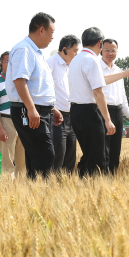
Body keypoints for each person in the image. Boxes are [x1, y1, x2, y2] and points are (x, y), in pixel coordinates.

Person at [7, 12, 61, 178]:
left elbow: (38, 87)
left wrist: (53, 109)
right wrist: (31, 109)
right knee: (46, 155)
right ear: (42, 30)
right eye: (52, 32)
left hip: (40, 110)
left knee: (34, 158)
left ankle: (33, 196)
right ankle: (41, 195)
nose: (53, 37)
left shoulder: (36, 52)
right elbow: (20, 81)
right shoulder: (24, 49)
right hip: (29, 111)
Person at [69, 27, 120, 177]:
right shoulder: (92, 60)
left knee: (88, 153)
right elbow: (98, 91)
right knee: (98, 156)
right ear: (100, 43)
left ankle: (81, 186)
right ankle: (93, 188)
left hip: (75, 112)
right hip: (89, 112)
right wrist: (108, 120)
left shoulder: (75, 60)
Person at [99, 38, 129, 174]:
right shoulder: (97, 68)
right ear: (101, 50)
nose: (110, 53)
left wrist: (128, 114)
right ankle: (102, 178)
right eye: (107, 50)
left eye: (113, 50)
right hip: (103, 111)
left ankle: (112, 177)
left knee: (115, 149)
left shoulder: (118, 70)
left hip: (117, 112)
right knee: (103, 149)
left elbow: (122, 96)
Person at [47, 35, 80, 172]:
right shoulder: (50, 64)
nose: (76, 54)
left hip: (72, 117)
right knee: (57, 158)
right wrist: (53, 109)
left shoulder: (72, 66)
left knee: (70, 159)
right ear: (65, 50)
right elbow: (44, 91)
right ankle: (53, 189)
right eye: (75, 51)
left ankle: (67, 188)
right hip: (56, 118)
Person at [0, 51, 25, 177]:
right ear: (1, 63)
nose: (11, 64)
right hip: (7, 121)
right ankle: (8, 189)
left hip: (22, 120)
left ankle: (21, 188)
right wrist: (0, 128)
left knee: (22, 161)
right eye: (7, 61)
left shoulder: (21, 80)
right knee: (8, 160)